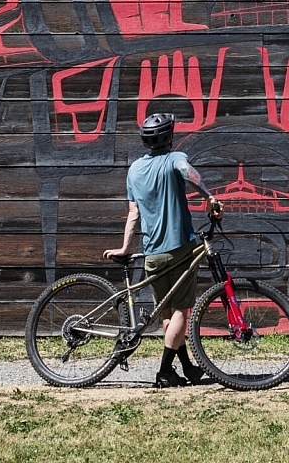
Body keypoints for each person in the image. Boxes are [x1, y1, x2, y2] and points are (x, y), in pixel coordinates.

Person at [105, 112, 224, 388]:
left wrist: (125, 247)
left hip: (152, 254)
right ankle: (164, 371)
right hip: (180, 247)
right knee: (182, 310)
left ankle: (187, 369)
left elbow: (133, 213)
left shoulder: (134, 169)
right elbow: (188, 172)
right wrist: (210, 196)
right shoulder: (174, 159)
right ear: (170, 136)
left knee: (168, 313)